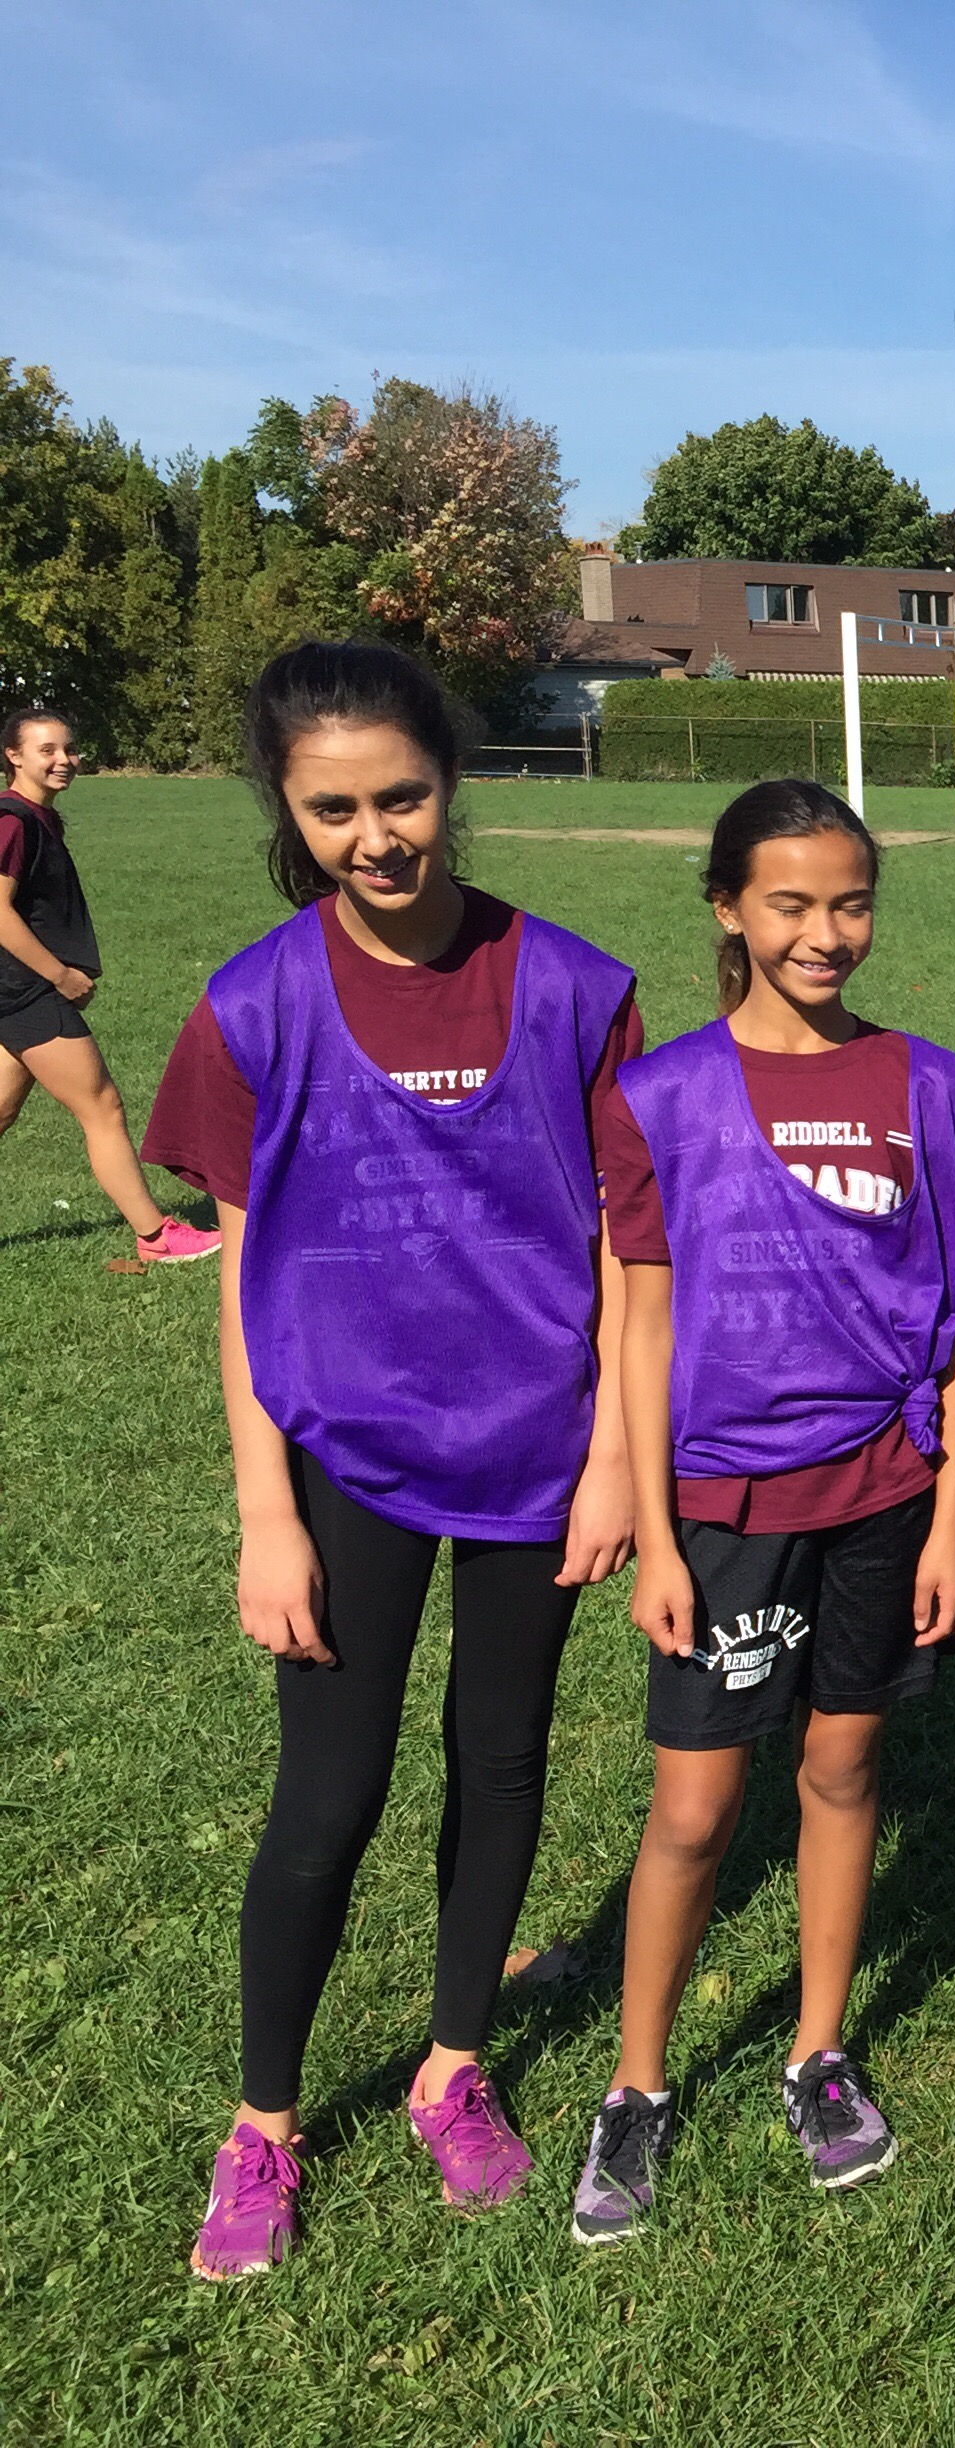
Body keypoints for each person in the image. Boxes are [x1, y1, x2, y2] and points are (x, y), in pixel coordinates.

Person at [141, 643, 644, 2281]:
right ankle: (266, 2124)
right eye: (335, 809)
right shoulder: (253, 1004)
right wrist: (264, 1512)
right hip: (343, 1457)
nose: (377, 835)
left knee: (499, 1761)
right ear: (290, 813)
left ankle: (450, 2064)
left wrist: (613, 1459)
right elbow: (240, 1268)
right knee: (327, 1796)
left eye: (403, 796)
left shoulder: (574, 987)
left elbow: (630, 1244)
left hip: (537, 1451)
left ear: (451, 781)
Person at [566, 779, 955, 2246]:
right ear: (728, 908)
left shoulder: (937, 1091)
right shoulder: (661, 1096)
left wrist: (948, 1522)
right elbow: (640, 1320)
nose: (826, 932)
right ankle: (637, 2084)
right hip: (725, 1506)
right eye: (792, 904)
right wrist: (657, 1533)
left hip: (882, 1494)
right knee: (696, 1807)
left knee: (843, 1765)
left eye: (851, 903)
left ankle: (818, 2053)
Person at [0, 704, 220, 1261]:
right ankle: (156, 1237)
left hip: (16, 990)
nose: (64, 760)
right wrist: (60, 975)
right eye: (47, 750)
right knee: (102, 1107)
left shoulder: (37, 818)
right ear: (14, 756)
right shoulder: (12, 821)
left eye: (69, 749)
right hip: (25, 990)